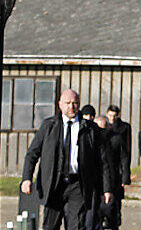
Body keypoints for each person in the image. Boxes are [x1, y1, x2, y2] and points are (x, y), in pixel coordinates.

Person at [20, 89, 114, 230]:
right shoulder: (49, 126)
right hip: (53, 185)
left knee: (76, 226)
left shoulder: (90, 129)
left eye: (75, 103)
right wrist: (27, 178)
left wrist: (107, 188)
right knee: (50, 226)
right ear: (60, 104)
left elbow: (103, 161)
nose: (72, 106)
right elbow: (32, 154)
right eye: (68, 103)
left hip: (77, 185)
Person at [105, 105, 132, 230]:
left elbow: (126, 152)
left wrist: (125, 175)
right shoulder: (102, 126)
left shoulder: (124, 128)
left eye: (114, 116)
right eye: (110, 115)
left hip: (117, 167)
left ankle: (115, 219)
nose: (112, 118)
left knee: (116, 197)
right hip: (105, 165)